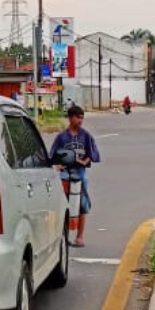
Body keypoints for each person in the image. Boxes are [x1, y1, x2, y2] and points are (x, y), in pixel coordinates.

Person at [50, 105, 101, 248]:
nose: (80, 120)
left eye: (82, 117)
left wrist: (83, 161)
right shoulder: (61, 137)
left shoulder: (86, 136)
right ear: (71, 118)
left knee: (82, 205)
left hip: (80, 173)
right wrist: (58, 165)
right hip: (65, 174)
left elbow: (92, 155)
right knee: (62, 204)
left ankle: (80, 237)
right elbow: (53, 156)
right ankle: (63, 236)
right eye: (78, 117)